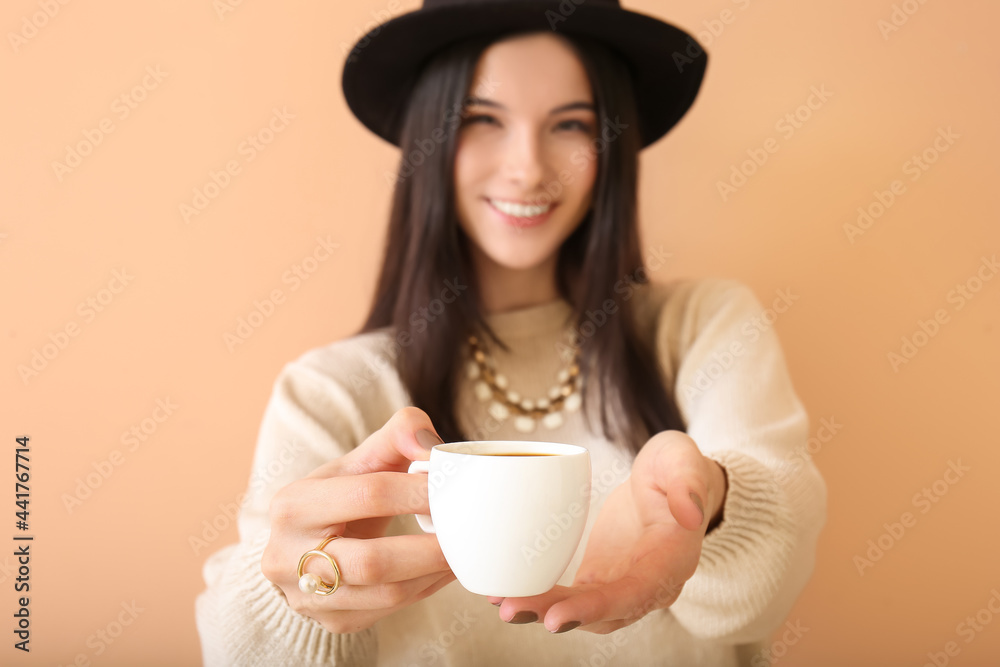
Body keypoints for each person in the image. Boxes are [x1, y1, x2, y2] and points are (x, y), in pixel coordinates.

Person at [195, 1, 827, 665]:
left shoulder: (701, 327)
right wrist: (298, 597)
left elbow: (771, 585)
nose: (527, 167)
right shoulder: (331, 391)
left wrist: (710, 502)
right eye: (482, 121)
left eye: (571, 124)